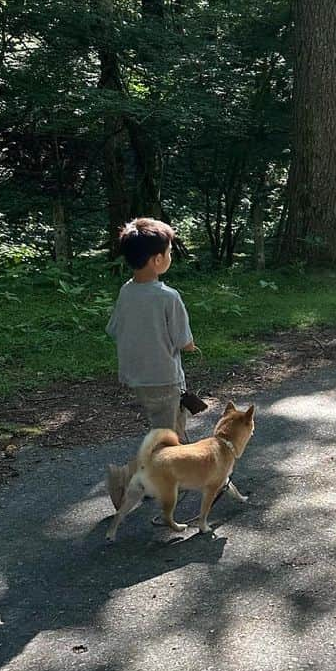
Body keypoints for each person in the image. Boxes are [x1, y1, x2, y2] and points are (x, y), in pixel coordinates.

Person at [105, 217, 199, 508]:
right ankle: (127, 478)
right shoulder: (168, 297)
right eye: (169, 253)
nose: (170, 258)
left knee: (172, 428)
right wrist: (191, 346)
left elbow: (113, 329)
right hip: (164, 378)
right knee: (165, 438)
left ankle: (172, 476)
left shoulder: (126, 291)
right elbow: (183, 340)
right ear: (157, 260)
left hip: (137, 376)